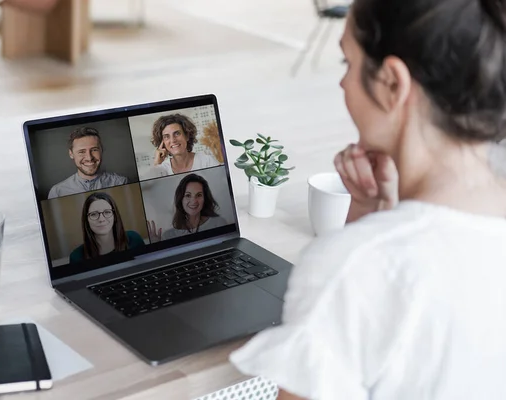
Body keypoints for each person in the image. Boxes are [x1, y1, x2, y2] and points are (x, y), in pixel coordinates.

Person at [229, 0, 506, 399]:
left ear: (393, 83)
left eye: (347, 63)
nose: (342, 83)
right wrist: (373, 220)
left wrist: (363, 242)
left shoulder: (355, 266)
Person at [48, 127, 129, 199]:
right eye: (81, 152)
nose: (89, 158)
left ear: (101, 150)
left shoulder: (121, 182)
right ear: (71, 154)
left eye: (94, 150)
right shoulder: (57, 192)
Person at [148, 174, 228, 241]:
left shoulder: (219, 223)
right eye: (188, 195)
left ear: (205, 198)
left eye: (199, 195)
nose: (194, 201)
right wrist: (158, 246)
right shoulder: (168, 236)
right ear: (181, 199)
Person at [69, 192, 145, 263]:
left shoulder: (134, 239)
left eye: (107, 212)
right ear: (86, 220)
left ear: (115, 216)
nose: (101, 219)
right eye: (94, 214)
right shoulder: (76, 257)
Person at [148, 114, 221, 177]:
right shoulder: (162, 169)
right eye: (167, 136)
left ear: (187, 136)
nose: (173, 140)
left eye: (177, 134)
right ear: (163, 142)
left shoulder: (206, 161)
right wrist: (157, 163)